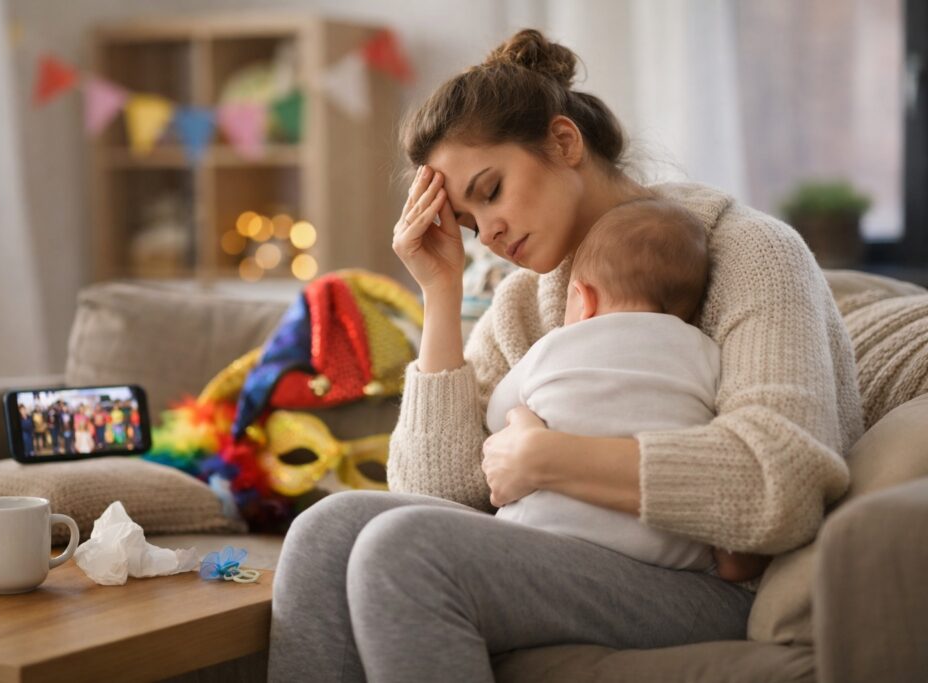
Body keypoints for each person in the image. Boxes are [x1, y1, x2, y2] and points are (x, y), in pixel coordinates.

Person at [268, 29, 862, 683]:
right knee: (327, 529)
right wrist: (438, 292)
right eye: (466, 222)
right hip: (565, 557)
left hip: (708, 585)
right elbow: (436, 494)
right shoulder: (524, 301)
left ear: (564, 142)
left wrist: (547, 459)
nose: (486, 233)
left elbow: (781, 480)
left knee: (399, 549)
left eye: (490, 191)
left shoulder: (753, 253)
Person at [489, 197, 763, 580]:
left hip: (542, 535)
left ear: (583, 300)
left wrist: (524, 419)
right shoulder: (708, 354)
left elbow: (495, 417)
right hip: (674, 558)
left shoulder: (552, 346)